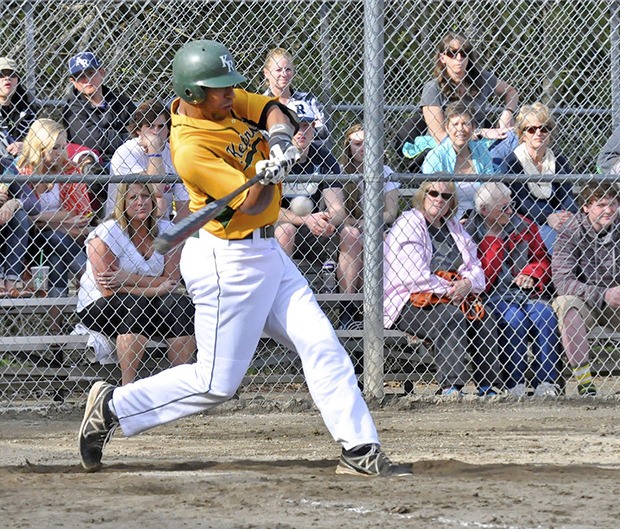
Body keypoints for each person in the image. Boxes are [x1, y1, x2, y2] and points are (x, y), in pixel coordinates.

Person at [78, 40, 411, 478]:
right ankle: (113, 406)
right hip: (226, 261)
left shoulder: (226, 102)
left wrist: (277, 142)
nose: (231, 94)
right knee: (217, 384)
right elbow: (251, 206)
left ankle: (360, 448)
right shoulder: (191, 148)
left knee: (322, 345)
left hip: (268, 252)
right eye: (220, 89)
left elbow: (274, 109)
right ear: (194, 94)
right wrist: (265, 178)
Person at [383, 180, 500, 397]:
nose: (439, 199)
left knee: (485, 316)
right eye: (433, 193)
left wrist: (466, 284)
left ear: (451, 202)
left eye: (445, 196)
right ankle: (451, 388)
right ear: (422, 195)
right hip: (410, 300)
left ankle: (487, 387)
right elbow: (413, 275)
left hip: (453, 295)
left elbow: (475, 267)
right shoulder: (408, 224)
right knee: (451, 317)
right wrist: (451, 288)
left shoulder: (454, 227)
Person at [76, 182, 195, 385]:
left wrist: (130, 279)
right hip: (100, 305)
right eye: (133, 198)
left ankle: (181, 387)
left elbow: (171, 279)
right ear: (122, 203)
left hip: (148, 301)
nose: (141, 203)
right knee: (134, 305)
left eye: (145, 196)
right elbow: (108, 289)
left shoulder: (167, 230)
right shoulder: (107, 232)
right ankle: (127, 387)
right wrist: (156, 288)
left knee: (180, 306)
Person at [465, 183, 561, 397]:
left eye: (511, 205)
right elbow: (482, 275)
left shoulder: (525, 226)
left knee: (545, 315)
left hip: (525, 293)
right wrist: (495, 240)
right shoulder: (470, 232)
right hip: (490, 295)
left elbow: (542, 260)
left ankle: (546, 382)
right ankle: (514, 383)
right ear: (484, 211)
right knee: (514, 319)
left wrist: (531, 274)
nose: (510, 212)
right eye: (503, 208)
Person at [275, 101, 362, 329]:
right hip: (279, 231)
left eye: (306, 125)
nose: (301, 132)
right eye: (295, 125)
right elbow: (269, 209)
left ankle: (347, 312)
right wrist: (306, 219)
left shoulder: (324, 158)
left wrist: (325, 221)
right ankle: (280, 307)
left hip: (317, 231)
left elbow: (338, 209)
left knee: (352, 233)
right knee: (285, 230)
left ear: (314, 128)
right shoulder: (273, 158)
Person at [396, 31, 518, 168]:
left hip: (481, 143)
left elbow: (511, 91)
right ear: (442, 58)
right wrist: (480, 132)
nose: (459, 58)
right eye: (452, 53)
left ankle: (512, 184)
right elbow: (439, 135)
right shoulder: (432, 88)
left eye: (463, 53)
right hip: (448, 144)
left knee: (513, 137)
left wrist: (507, 113)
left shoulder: (481, 79)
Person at [552, 182, 620, 396]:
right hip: (585, 299)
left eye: (613, 204)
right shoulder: (571, 230)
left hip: (617, 297)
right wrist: (603, 294)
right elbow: (562, 281)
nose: (608, 210)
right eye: (601, 205)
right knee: (567, 307)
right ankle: (584, 384)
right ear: (586, 207)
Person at [16, 118, 92, 302]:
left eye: (63, 146)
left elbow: (79, 214)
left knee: (56, 258)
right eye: (55, 148)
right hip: (29, 243)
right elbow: (25, 218)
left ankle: (56, 329)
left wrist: (41, 219)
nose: (62, 153)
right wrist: (57, 219)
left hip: (62, 239)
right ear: (40, 148)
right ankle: (91, 279)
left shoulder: (69, 170)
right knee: (55, 237)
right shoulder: (22, 171)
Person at [503, 103, 577, 253]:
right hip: (528, 220)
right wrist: (549, 216)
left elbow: (567, 198)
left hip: (556, 218)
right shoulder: (512, 162)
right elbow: (521, 202)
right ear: (522, 134)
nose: (538, 133)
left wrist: (569, 215)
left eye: (544, 128)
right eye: (531, 129)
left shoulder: (559, 161)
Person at [107, 100, 190, 221]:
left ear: (168, 130)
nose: (156, 131)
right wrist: (154, 150)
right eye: (150, 126)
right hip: (124, 223)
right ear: (138, 130)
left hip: (162, 224)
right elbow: (154, 191)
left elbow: (184, 208)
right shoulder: (126, 152)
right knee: (159, 203)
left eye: (161, 126)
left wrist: (174, 236)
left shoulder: (176, 153)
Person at [422, 102, 496, 220]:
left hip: (480, 218)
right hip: (445, 219)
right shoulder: (436, 156)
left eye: (465, 123)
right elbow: (431, 199)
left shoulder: (482, 152)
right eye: (455, 124)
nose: (460, 129)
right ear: (447, 127)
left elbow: (491, 189)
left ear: (473, 127)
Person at [62, 51, 136, 165]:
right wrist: (132, 138)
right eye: (80, 76)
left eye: (90, 73)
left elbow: (140, 128)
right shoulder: (72, 109)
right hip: (97, 163)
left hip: (130, 158)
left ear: (101, 72)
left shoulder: (120, 101)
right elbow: (95, 140)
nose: (87, 80)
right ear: (73, 82)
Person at [263, 47, 329, 144]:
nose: (284, 74)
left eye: (288, 69)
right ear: (266, 73)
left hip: (308, 154)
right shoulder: (262, 102)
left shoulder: (307, 99)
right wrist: (305, 129)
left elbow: (324, 132)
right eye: (278, 70)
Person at [0, 57, 40, 158]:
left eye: (12, 74)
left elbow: (38, 139)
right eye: (1, 74)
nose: (7, 78)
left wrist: (25, 146)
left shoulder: (27, 108)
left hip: (22, 161)